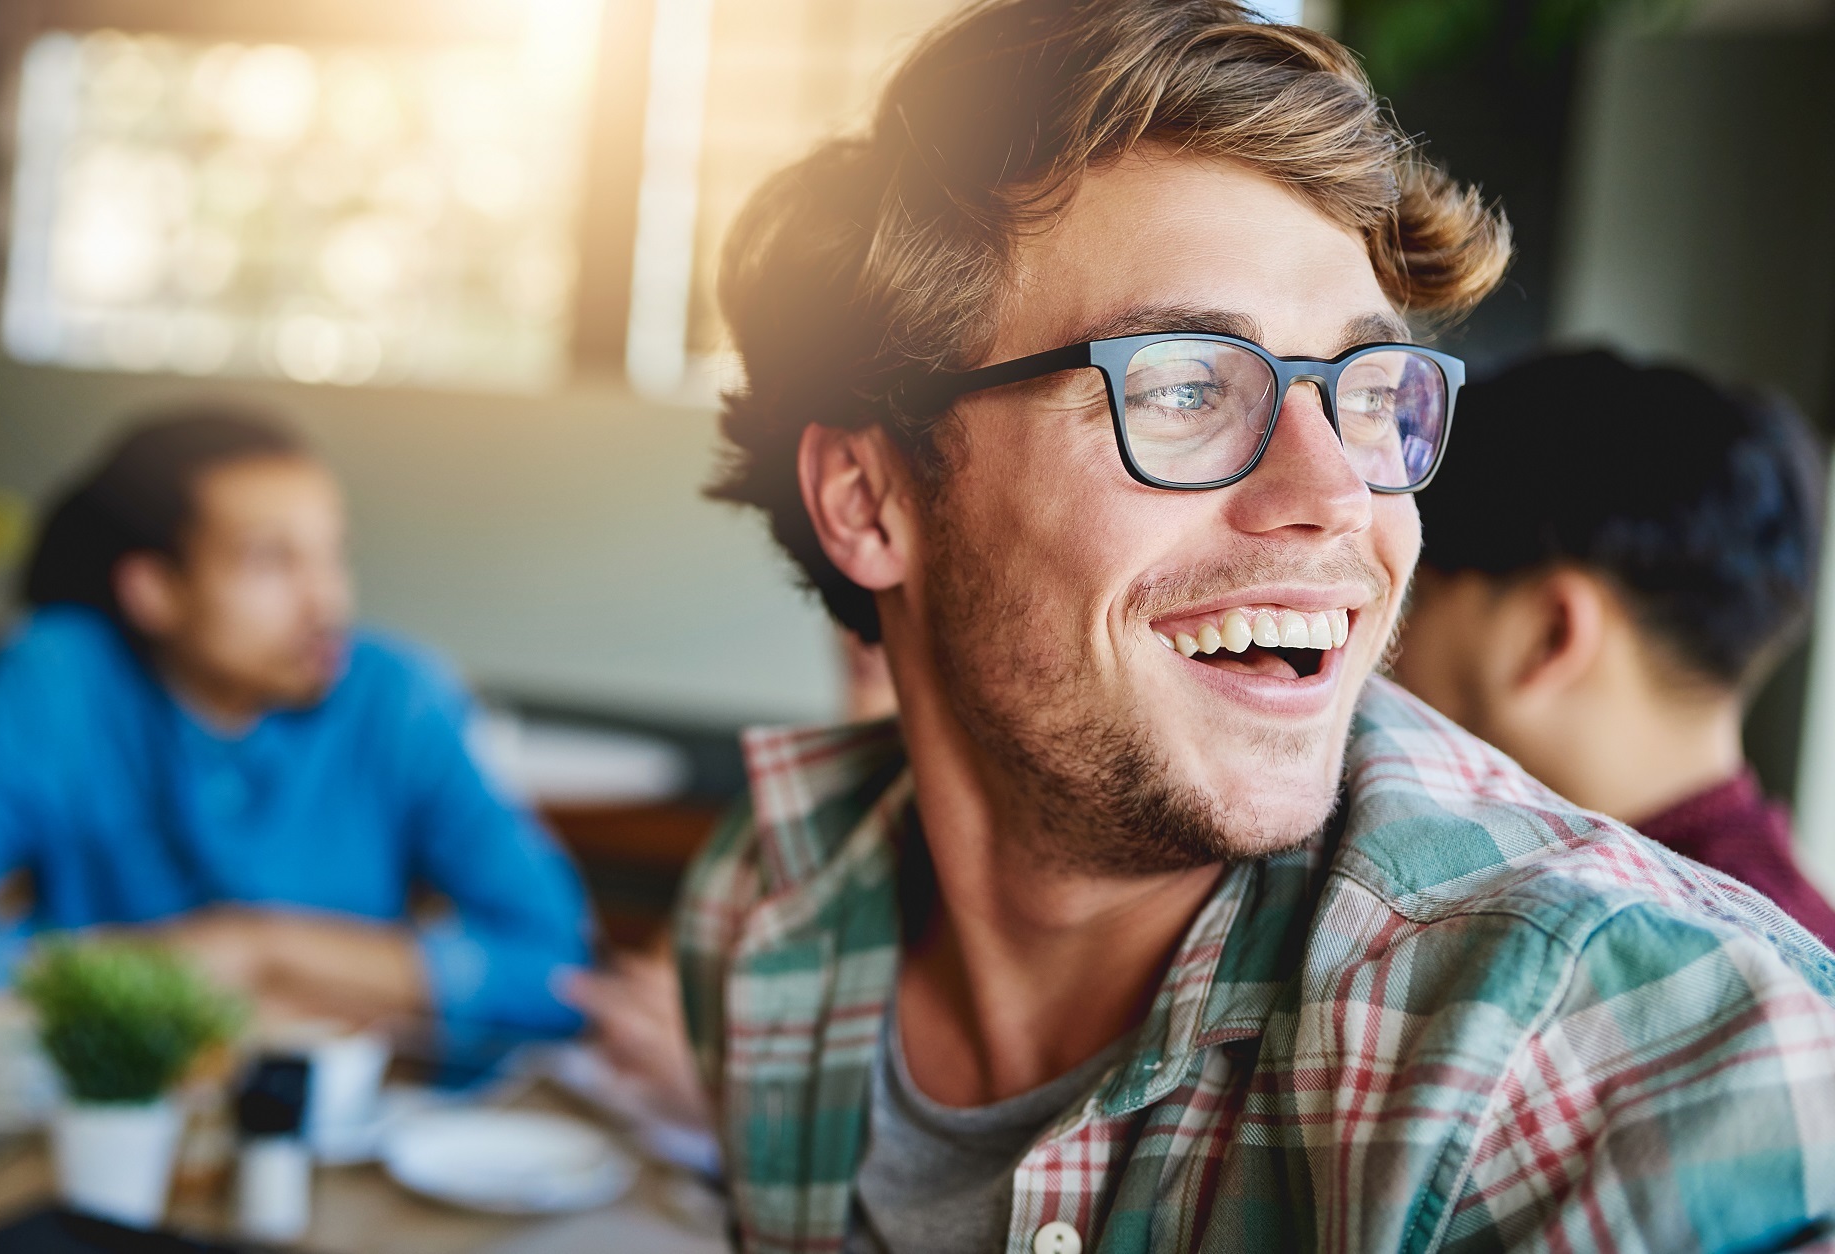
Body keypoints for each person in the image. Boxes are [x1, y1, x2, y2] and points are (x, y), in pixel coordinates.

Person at [603, 2, 1835, 1250]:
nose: (1339, 500)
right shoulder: (761, 911)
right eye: (1184, 385)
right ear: (869, 499)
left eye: (1368, 392)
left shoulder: (1593, 1054)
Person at [0, 410, 592, 1040]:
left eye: (334, 556)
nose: (326, 603)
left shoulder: (400, 695)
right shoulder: (57, 680)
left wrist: (260, 947)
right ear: (153, 590)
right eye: (272, 562)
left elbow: (560, 970)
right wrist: (174, 964)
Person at [1395, 349, 1835, 947]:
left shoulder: (1604, 948)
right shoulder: (1796, 931)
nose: (1385, 643)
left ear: (1550, 636)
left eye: (1416, 597)